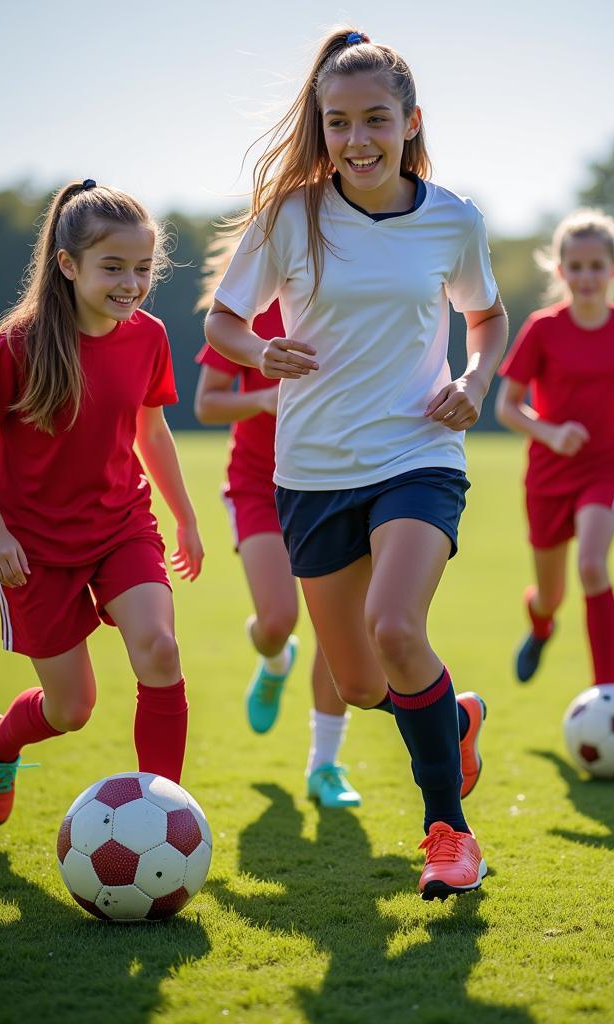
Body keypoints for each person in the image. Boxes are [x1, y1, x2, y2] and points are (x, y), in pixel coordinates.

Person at [203, 28, 506, 898]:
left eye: (377, 119)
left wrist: (477, 378)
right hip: (309, 473)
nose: (358, 139)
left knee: (397, 629)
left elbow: (486, 319)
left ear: (412, 122)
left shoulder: (454, 218)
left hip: (419, 453)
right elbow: (225, 322)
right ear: (321, 127)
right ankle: (454, 720)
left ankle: (449, 835)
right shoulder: (289, 216)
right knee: (367, 683)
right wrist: (259, 356)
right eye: (339, 123)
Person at [0, 179, 203, 827]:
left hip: (122, 527)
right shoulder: (21, 343)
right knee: (72, 710)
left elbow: (152, 430)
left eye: (144, 268)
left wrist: (186, 517)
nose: (131, 283)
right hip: (34, 550)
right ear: (68, 266)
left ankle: (163, 815)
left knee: (160, 649)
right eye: (114, 268)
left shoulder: (148, 336)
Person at [497, 210, 614, 686]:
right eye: (575, 267)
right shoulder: (542, 328)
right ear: (560, 271)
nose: (586, 276)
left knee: (592, 565)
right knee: (550, 594)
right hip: (547, 474)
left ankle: (607, 694)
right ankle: (540, 624)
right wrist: (552, 434)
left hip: (608, 467)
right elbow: (507, 406)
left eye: (596, 266)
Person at [193, 298, 361, 808]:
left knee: (339, 632)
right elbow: (207, 405)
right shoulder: (247, 315)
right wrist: (263, 401)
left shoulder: (355, 300)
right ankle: (274, 661)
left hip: (336, 485)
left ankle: (325, 766)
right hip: (258, 487)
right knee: (277, 620)